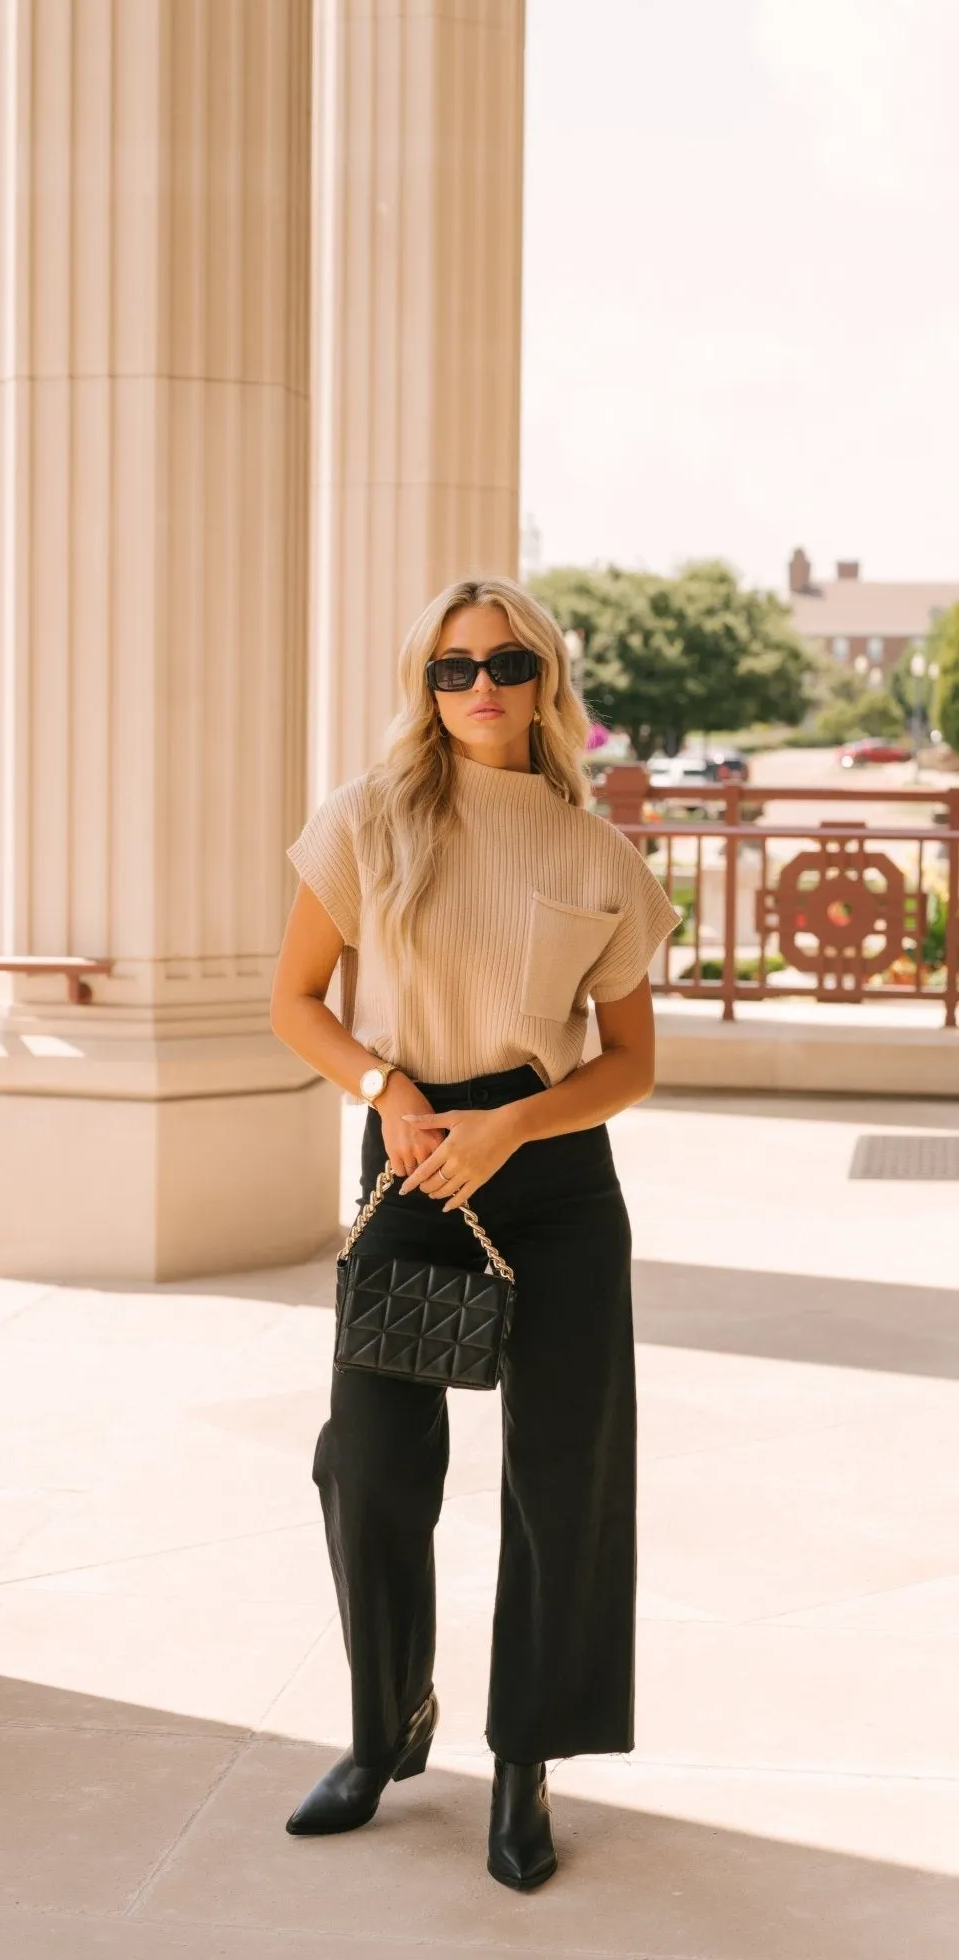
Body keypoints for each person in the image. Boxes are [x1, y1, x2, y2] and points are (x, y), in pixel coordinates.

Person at [269, 576, 681, 1890]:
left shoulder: (596, 852)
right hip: (407, 1163)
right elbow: (293, 1001)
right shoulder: (365, 820)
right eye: (450, 669)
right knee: (371, 1464)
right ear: (424, 686)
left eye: (505, 662)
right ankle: (384, 1722)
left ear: (547, 680)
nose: (478, 686)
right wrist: (383, 1088)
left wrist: (515, 1130)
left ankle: (524, 1763)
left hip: (552, 1178)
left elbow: (626, 1065)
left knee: (563, 1479)